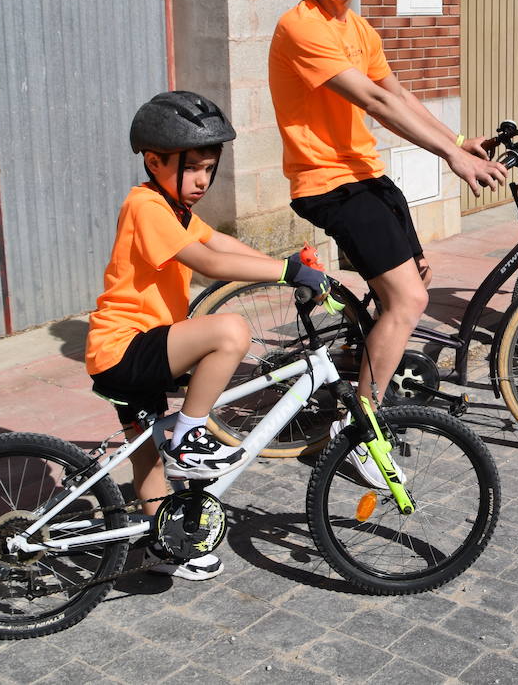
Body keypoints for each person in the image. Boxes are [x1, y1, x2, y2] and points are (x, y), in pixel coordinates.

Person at [268, 0, 506, 485]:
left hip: (365, 174)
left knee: (415, 276)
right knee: (408, 302)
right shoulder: (302, 26)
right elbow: (373, 105)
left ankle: (363, 359)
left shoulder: (359, 30)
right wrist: (448, 157)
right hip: (327, 181)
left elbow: (395, 92)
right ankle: (358, 434)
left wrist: (457, 138)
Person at [85, 90, 334, 580]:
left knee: (147, 459)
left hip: (135, 349)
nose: (202, 180)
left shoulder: (174, 208)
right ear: (154, 161)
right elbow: (210, 264)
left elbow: (221, 242)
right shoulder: (146, 206)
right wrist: (284, 274)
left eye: (209, 167)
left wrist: (288, 265)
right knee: (229, 331)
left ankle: (161, 545)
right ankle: (190, 435)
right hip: (125, 346)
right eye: (191, 167)